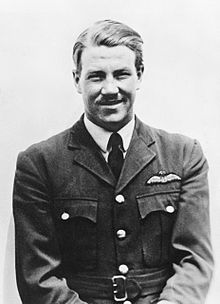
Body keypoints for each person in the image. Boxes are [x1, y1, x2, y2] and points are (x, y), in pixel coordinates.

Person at [13, 20, 214, 304]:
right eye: (96, 76)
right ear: (76, 79)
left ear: (139, 75)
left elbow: (194, 260)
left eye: (121, 74)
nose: (110, 89)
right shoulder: (39, 164)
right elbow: (38, 277)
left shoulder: (183, 155)